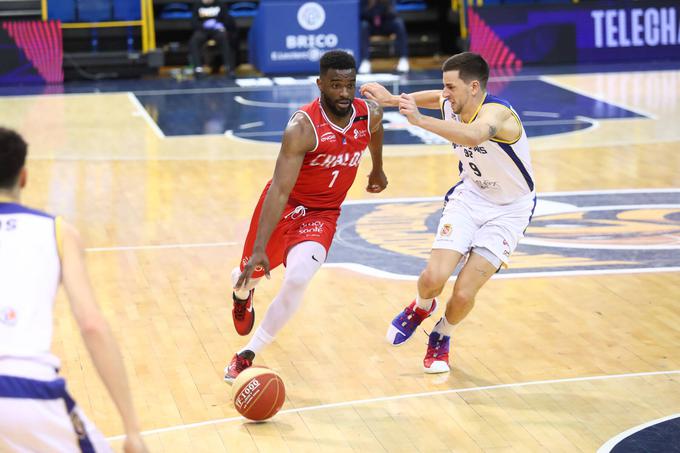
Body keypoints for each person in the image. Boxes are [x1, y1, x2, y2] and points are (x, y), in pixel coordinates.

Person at [360, 52, 535, 373]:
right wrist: (390, 100)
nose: (445, 93)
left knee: (464, 294)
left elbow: (474, 135)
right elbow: (432, 98)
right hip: (470, 198)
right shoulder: (452, 103)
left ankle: (442, 334)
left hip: (510, 211)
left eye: (450, 87)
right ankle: (421, 307)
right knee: (432, 278)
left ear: (473, 87)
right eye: (444, 86)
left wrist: (418, 119)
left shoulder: (498, 114)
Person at [224, 50, 388, 382]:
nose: (344, 93)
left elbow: (376, 131)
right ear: (320, 84)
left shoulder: (368, 113)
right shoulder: (302, 127)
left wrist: (377, 169)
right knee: (249, 273)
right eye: (336, 85)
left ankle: (247, 353)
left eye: (350, 85)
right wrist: (258, 248)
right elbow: (278, 191)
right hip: (285, 206)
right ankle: (243, 295)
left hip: (323, 213)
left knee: (298, 276)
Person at [0, 127, 148, 452]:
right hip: (23, 388)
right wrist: (131, 428)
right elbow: (92, 325)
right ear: (23, 177)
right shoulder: (57, 231)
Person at [358, 0, 410, 74]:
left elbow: (393, 14)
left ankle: (403, 59)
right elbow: (361, 14)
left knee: (399, 24)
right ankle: (365, 61)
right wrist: (373, 9)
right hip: (371, 25)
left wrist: (382, 7)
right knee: (363, 26)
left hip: (385, 24)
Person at [189, 0, 237, 77]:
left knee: (225, 38)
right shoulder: (197, 5)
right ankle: (198, 69)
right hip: (203, 30)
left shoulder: (220, 4)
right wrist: (203, 26)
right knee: (194, 40)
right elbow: (193, 22)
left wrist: (220, 25)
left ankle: (229, 68)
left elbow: (227, 19)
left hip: (217, 29)